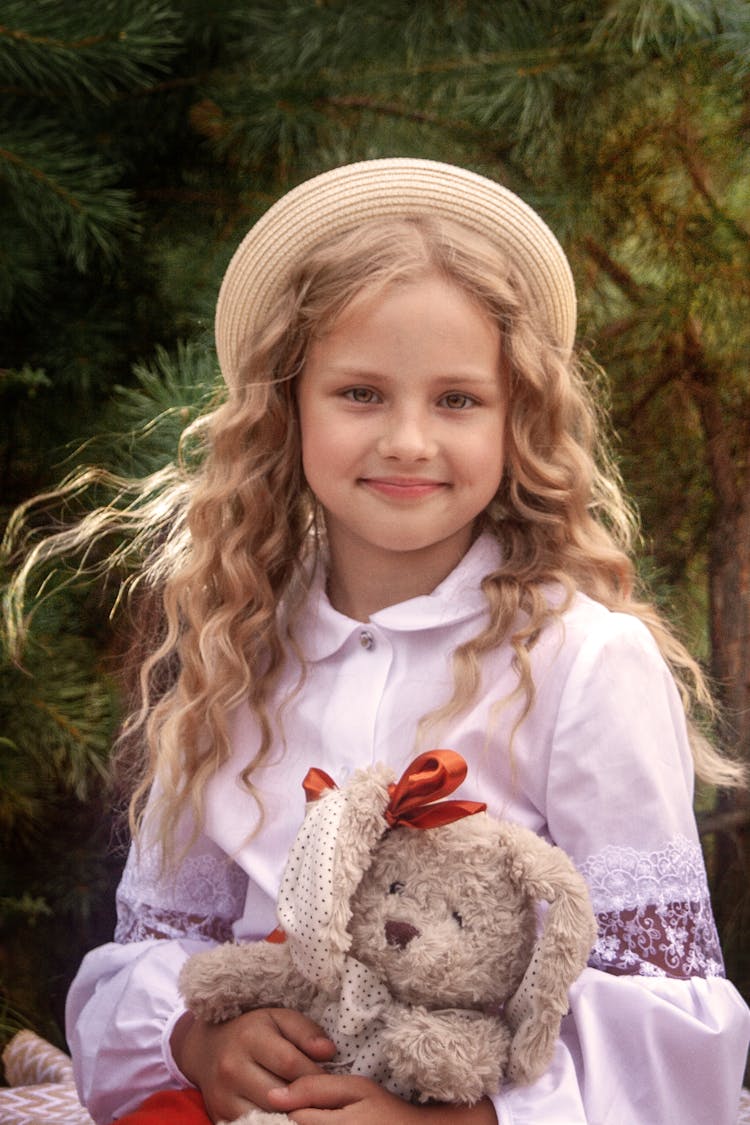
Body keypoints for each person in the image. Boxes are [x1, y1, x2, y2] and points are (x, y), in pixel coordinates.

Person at [11, 158, 749, 1123]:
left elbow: (669, 1019)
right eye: (360, 393)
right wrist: (199, 1039)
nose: (407, 438)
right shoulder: (234, 653)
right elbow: (154, 949)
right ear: (288, 408)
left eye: (457, 399)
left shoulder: (584, 662)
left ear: (518, 419)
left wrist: (466, 1117)